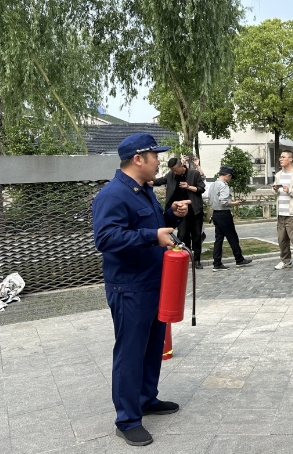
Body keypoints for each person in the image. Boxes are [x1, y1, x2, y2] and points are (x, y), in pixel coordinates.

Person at [92, 133, 190, 447]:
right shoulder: (113, 194)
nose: (159, 161)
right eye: (155, 156)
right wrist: (151, 237)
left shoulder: (144, 190)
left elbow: (151, 226)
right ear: (138, 159)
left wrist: (171, 215)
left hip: (153, 282)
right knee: (131, 353)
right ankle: (127, 420)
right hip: (129, 287)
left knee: (152, 347)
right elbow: (105, 238)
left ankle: (146, 399)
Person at [151, 157, 205, 268]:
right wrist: (145, 180)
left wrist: (188, 187)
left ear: (182, 166)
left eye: (176, 170)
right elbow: (158, 181)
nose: (174, 172)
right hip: (180, 211)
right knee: (182, 235)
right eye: (172, 170)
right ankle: (186, 258)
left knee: (196, 236)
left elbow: (201, 189)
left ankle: (197, 260)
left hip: (194, 210)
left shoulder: (194, 174)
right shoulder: (171, 175)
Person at [209, 166, 253, 271]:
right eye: (230, 177)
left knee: (218, 239)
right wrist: (235, 203)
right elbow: (224, 202)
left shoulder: (213, 184)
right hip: (224, 214)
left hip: (215, 213)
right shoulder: (224, 186)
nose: (230, 179)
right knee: (232, 237)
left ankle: (217, 263)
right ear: (228, 175)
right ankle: (239, 259)